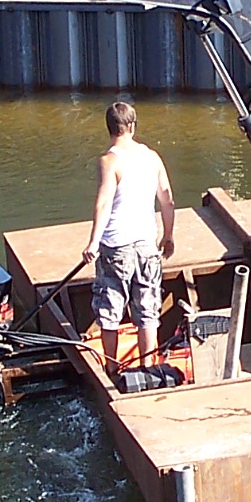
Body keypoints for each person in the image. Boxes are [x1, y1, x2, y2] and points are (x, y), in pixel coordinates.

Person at [81, 98, 176, 369]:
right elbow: (167, 201)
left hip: (116, 246)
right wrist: (168, 236)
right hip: (146, 244)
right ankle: (150, 368)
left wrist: (93, 242)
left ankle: (111, 369)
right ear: (132, 126)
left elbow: (103, 202)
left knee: (110, 309)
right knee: (147, 308)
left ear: (109, 128)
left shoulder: (109, 162)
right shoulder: (152, 157)